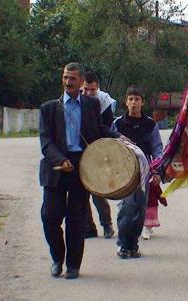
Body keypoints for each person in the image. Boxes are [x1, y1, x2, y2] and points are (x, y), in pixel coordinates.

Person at [39, 62, 120, 279]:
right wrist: (60, 159)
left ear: (81, 81)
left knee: (77, 218)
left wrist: (118, 137)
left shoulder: (91, 105)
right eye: (65, 77)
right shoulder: (49, 108)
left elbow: (98, 130)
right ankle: (57, 257)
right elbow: (46, 142)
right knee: (49, 216)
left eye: (72, 78)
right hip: (56, 167)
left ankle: (73, 265)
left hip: (82, 167)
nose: (68, 82)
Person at [111, 86, 163, 259]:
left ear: (142, 102)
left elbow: (157, 148)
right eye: (131, 99)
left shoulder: (150, 124)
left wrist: (157, 171)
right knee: (127, 207)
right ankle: (123, 245)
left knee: (140, 209)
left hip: (144, 170)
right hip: (123, 171)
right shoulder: (117, 124)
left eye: (137, 99)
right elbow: (110, 146)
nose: (134, 103)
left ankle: (133, 244)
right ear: (126, 102)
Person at [81, 72, 115, 239]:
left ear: (98, 88)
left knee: (97, 191)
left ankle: (107, 224)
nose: (88, 93)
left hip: (98, 150)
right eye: (85, 90)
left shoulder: (104, 102)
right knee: (81, 192)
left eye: (92, 90)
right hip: (80, 151)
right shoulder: (76, 101)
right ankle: (88, 227)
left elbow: (107, 127)